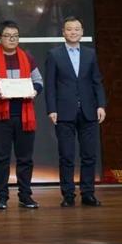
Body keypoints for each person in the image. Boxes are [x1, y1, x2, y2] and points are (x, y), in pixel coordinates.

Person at [0, 20, 44, 210]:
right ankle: (1, 197)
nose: (12, 39)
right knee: (1, 159)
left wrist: (35, 91)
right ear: (0, 38)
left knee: (25, 159)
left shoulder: (27, 57)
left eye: (15, 36)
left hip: (24, 115)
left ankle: (25, 196)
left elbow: (38, 81)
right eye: (8, 36)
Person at [45, 16, 107, 207]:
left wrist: (101, 105)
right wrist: (52, 109)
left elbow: (97, 81)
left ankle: (88, 193)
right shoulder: (54, 54)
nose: (73, 32)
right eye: (69, 29)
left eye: (77, 29)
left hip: (89, 110)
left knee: (89, 155)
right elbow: (50, 85)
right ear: (63, 32)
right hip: (64, 112)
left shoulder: (90, 54)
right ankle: (68, 195)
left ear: (82, 32)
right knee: (67, 155)